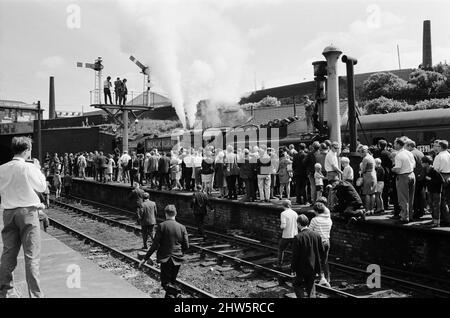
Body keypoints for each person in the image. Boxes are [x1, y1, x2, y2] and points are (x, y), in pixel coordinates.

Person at [0, 136, 47, 298]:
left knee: (8, 252)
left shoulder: (2, 168)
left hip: (8, 213)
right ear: (27, 150)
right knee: (31, 255)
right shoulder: (28, 167)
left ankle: (5, 290)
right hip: (28, 213)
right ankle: (35, 295)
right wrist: (38, 168)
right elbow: (41, 186)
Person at [139, 205, 189, 298]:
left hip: (166, 259)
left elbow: (155, 245)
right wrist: (179, 253)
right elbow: (186, 246)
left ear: (166, 214)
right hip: (177, 258)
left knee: (165, 284)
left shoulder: (162, 226)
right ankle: (173, 294)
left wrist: (145, 258)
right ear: (176, 213)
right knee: (172, 282)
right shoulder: (182, 227)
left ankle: (177, 293)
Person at [291, 214, 324, 298]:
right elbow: (321, 251)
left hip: (301, 267)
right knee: (311, 285)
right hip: (313, 266)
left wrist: (293, 269)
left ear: (298, 223)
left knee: (297, 285)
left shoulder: (298, 237)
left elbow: (295, 255)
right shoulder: (317, 235)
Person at [392, 137, 416, 223]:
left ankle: (404, 217)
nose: (394, 145)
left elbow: (398, 169)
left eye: (395, 143)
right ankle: (410, 215)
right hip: (412, 175)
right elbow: (414, 165)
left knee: (403, 198)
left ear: (398, 144)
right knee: (410, 197)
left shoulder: (398, 155)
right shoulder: (409, 153)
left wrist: (393, 169)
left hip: (403, 176)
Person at [309, 198, 332, 287]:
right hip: (327, 242)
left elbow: (310, 231)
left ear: (316, 211)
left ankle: (320, 278)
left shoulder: (315, 220)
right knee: (325, 261)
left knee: (315, 261)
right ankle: (327, 278)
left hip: (318, 243)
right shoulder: (329, 220)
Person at [422, 155, 444, 227]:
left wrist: (430, 179)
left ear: (427, 163)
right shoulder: (426, 170)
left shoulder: (434, 170)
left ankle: (436, 222)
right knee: (431, 206)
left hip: (436, 191)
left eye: (423, 162)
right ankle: (433, 219)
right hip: (430, 190)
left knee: (436, 206)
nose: (421, 163)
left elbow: (441, 181)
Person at [432, 140, 450, 226]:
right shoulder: (449, 154)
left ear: (441, 147)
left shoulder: (439, 156)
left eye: (438, 146)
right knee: (448, 198)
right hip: (449, 176)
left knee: (441, 199)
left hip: (441, 177)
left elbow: (435, 169)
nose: (436, 148)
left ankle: (446, 219)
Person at [277, 200, 298, 269]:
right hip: (295, 235)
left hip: (286, 235)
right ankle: (294, 265)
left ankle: (279, 265)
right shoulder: (295, 213)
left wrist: (280, 227)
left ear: (283, 206)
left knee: (281, 249)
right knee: (295, 251)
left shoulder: (283, 213)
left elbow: (283, 226)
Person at [360, 145, 377, 214]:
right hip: (373, 175)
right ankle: (372, 209)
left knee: (367, 193)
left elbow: (363, 169)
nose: (361, 153)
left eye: (362, 151)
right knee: (372, 193)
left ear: (365, 151)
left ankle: (367, 210)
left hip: (368, 175)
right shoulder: (372, 157)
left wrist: (361, 171)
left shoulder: (365, 158)